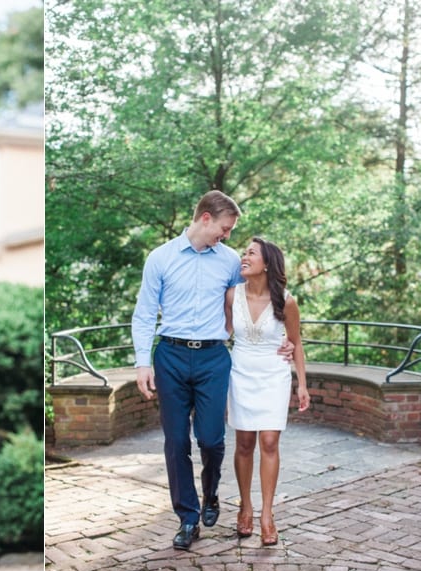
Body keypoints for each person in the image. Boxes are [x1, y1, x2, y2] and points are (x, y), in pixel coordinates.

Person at [132, 190, 293, 552]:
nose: (228, 235)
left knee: (211, 439)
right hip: (170, 355)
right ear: (206, 218)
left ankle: (211, 492)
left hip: (213, 358)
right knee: (175, 442)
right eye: (225, 228)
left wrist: (284, 339)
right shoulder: (160, 258)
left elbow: (260, 297)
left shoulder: (229, 261)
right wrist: (143, 361)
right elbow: (144, 313)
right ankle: (187, 517)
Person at [225, 237, 310, 546]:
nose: (244, 256)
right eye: (244, 252)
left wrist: (302, 383)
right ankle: (245, 506)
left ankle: (267, 514)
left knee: (270, 441)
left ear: (266, 264)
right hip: (241, 372)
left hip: (274, 374)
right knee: (245, 443)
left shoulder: (286, 301)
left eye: (251, 253)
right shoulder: (232, 295)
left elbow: (295, 342)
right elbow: (222, 334)